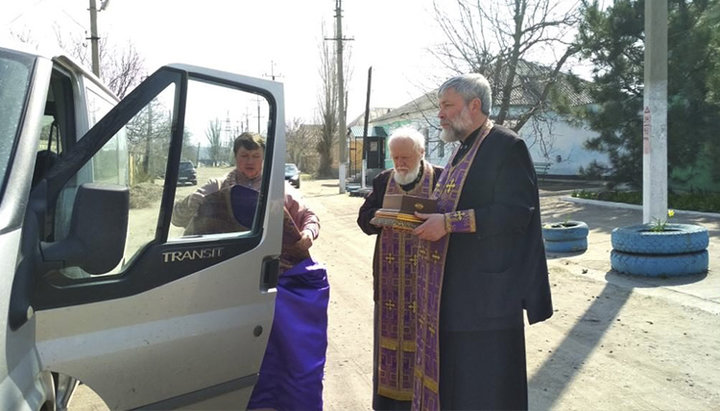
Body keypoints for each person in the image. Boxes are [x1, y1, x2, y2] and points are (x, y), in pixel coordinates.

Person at [410, 74, 553, 410]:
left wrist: (446, 224)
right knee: (460, 383)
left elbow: (515, 213)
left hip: (488, 301)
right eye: (440, 106)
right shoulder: (462, 150)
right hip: (454, 295)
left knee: (487, 387)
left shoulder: (506, 145)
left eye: (447, 105)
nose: (440, 114)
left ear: (474, 106)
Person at [171, 132, 328, 411]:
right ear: (235, 157)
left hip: (270, 276)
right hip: (226, 281)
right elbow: (178, 217)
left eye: (256, 156)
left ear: (264, 158)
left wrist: (308, 233)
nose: (250, 161)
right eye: (244, 156)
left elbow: (309, 216)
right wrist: (192, 204)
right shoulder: (216, 186)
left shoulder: (280, 190)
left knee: (277, 346)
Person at [357, 127, 444, 410]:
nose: (400, 164)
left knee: (428, 344)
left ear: (421, 153)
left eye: (406, 157)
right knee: (388, 344)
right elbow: (363, 220)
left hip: (429, 280)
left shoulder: (440, 178)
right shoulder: (384, 180)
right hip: (390, 283)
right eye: (395, 158)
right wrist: (381, 217)